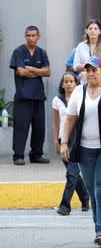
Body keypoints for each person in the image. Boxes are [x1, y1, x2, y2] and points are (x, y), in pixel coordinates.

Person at [60, 56, 101, 246]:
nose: (91, 73)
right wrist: (64, 143)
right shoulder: (79, 91)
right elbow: (70, 119)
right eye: (88, 70)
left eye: (95, 69)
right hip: (85, 150)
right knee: (94, 191)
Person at [9, 26, 51, 165]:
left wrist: (31, 69)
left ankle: (36, 155)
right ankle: (18, 156)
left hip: (38, 96)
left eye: (33, 35)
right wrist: (39, 71)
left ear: (38, 37)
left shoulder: (42, 52)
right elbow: (21, 72)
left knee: (39, 128)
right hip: (23, 97)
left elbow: (47, 72)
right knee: (21, 127)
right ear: (25, 36)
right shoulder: (19, 52)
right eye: (28, 35)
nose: (31, 38)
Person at [52, 72, 89, 216]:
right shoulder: (57, 100)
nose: (68, 84)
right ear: (62, 84)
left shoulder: (81, 98)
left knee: (71, 173)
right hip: (64, 140)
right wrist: (56, 141)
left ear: (76, 84)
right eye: (65, 82)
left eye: (71, 81)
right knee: (73, 174)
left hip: (78, 139)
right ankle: (85, 198)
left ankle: (65, 206)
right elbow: (56, 123)